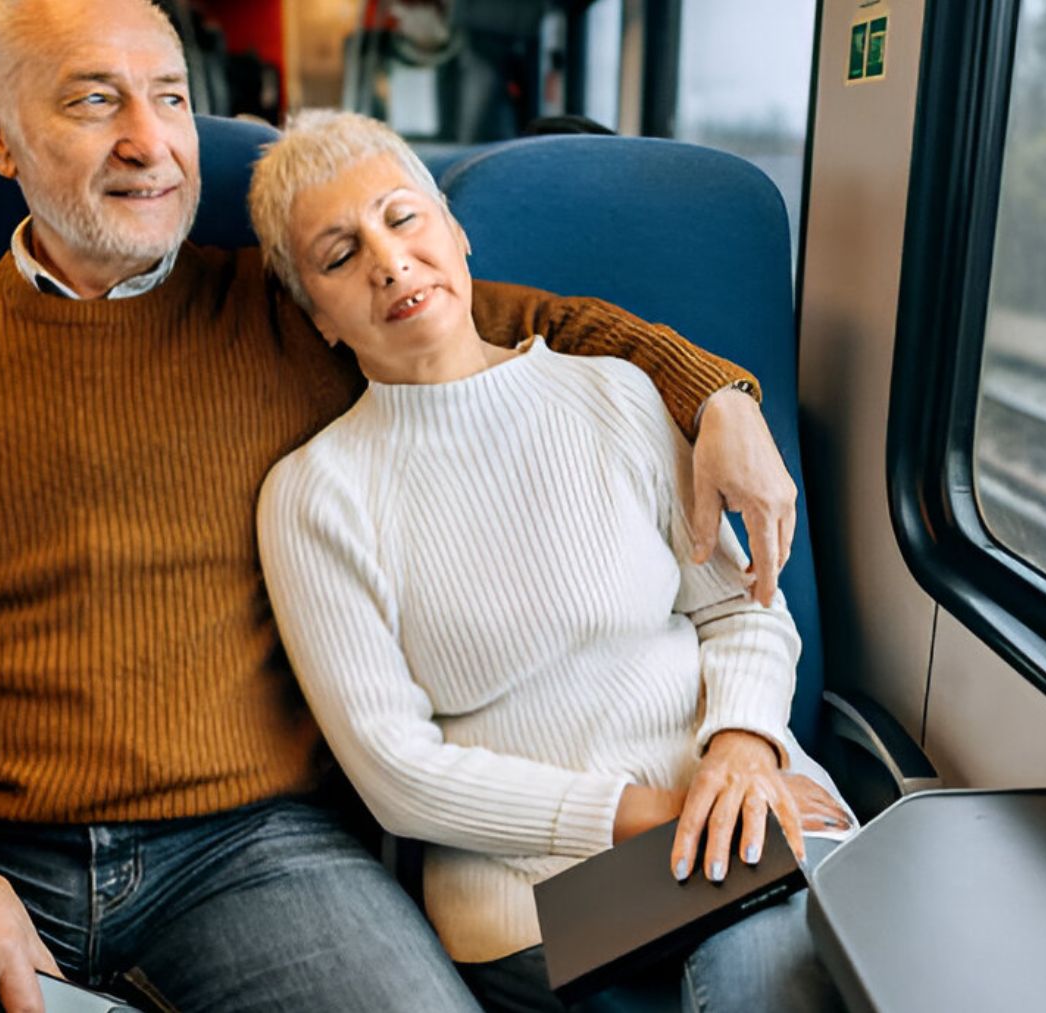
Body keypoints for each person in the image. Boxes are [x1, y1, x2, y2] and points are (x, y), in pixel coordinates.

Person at [0, 0, 800, 1009]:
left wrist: (717, 397)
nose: (152, 139)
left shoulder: (292, 304)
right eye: (95, 100)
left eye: (171, 97)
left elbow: (516, 325)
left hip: (250, 848)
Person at [251, 110, 852, 1013]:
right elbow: (395, 771)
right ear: (318, 317)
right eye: (340, 256)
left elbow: (742, 608)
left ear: (455, 234)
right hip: (536, 897)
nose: (387, 259)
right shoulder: (314, 494)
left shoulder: (617, 391)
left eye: (403, 217)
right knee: (774, 971)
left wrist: (740, 746)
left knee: (863, 954)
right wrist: (661, 817)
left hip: (750, 801)